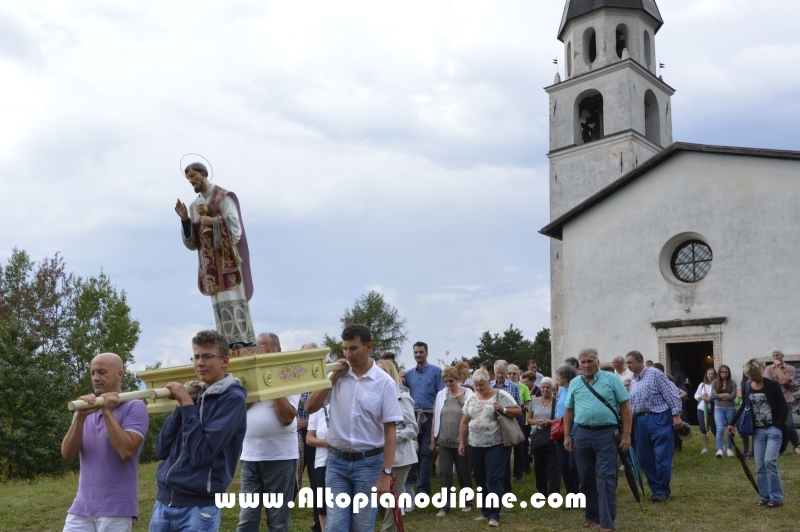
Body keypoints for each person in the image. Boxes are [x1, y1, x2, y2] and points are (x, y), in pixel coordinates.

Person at [304, 324, 403, 532]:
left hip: (369, 464)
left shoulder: (384, 382)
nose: (348, 354)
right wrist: (333, 379)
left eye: (354, 348)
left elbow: (390, 430)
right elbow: (310, 406)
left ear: (368, 347)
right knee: (335, 527)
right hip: (337, 462)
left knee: (361, 527)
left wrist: (386, 473)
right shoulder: (337, 378)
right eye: (345, 348)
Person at [149, 330, 247, 532]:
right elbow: (161, 450)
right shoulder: (196, 397)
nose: (200, 363)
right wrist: (182, 406)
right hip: (164, 502)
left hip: (199, 507)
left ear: (224, 361)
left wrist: (185, 403)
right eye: (196, 357)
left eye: (207, 356)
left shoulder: (232, 399)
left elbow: (201, 455)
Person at [61, 353, 149, 532]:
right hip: (81, 507)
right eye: (92, 373)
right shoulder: (84, 411)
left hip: (116, 510)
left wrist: (108, 412)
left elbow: (126, 452)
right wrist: (79, 417)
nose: (96, 378)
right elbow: (67, 454)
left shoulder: (135, 406)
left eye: (102, 372)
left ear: (119, 374)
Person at [175, 162, 255, 346]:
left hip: (227, 259)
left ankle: (242, 340)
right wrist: (186, 220)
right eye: (188, 179)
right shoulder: (194, 206)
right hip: (210, 265)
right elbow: (193, 244)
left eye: (193, 176)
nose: (191, 181)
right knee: (218, 303)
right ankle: (225, 342)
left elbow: (236, 229)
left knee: (232, 298)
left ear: (203, 173)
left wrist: (214, 222)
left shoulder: (224, 197)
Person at [236, 333, 299, 532]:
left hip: (281, 458)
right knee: (246, 519)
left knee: (278, 521)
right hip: (250, 457)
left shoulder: (290, 376)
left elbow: (287, 417)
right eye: (258, 350)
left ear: (278, 351)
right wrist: (256, 383)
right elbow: (237, 410)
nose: (261, 354)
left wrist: (272, 382)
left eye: (266, 350)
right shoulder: (247, 378)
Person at [564, 348, 631, 532]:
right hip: (582, 434)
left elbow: (625, 407)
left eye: (590, 361)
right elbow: (569, 411)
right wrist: (567, 436)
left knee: (606, 476)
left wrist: (626, 435)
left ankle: (607, 522)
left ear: (598, 362)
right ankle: (591, 515)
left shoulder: (612, 380)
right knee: (585, 477)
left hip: (606, 434)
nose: (586, 365)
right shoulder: (576, 383)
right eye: (583, 362)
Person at [458, 369, 521, 527]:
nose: (479, 388)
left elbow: (519, 411)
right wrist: (461, 442)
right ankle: (485, 511)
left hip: (497, 445)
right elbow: (464, 421)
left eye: (482, 385)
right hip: (475, 444)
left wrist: (503, 409)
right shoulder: (471, 398)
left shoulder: (500, 395)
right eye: (476, 385)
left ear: (489, 381)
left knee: (493, 478)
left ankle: (494, 515)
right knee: (480, 479)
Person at [728, 358, 788, 508]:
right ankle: (765, 496)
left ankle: (776, 497)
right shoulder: (748, 386)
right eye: (748, 375)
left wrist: (778, 426)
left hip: (773, 429)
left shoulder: (773, 385)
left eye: (753, 374)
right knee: (760, 465)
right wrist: (732, 422)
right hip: (758, 431)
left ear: (759, 372)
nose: (750, 377)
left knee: (769, 461)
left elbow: (784, 408)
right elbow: (744, 407)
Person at [625, 350, 683, 502]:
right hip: (640, 420)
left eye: (630, 362)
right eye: (627, 363)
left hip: (658, 418)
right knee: (644, 457)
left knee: (662, 454)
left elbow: (671, 394)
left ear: (639, 361)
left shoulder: (655, 374)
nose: (628, 366)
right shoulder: (634, 379)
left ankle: (662, 491)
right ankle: (655, 488)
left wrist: (676, 415)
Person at [376, 359, 418, 531]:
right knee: (381, 500)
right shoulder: (374, 396)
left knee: (393, 499)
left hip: (400, 457)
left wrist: (391, 437)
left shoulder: (402, 397)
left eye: (382, 371)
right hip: (378, 457)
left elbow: (413, 428)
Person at [431, 366, 473, 517]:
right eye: (445, 381)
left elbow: (471, 413)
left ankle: (467, 501)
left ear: (457, 379)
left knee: (463, 471)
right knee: (445, 472)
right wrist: (433, 440)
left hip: (462, 440)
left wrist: (462, 401)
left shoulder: (468, 392)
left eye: (451, 381)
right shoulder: (441, 394)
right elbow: (436, 417)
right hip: (444, 439)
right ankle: (444, 506)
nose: (448, 384)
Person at [403, 341, 443, 496]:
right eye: (416, 352)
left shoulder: (436, 371)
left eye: (421, 352)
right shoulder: (409, 374)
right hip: (413, 417)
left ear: (427, 353)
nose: (418, 355)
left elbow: (441, 395)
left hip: (430, 415)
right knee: (413, 451)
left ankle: (422, 490)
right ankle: (415, 484)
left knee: (426, 452)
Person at [297, 342, 321, 532]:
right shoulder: (294, 379)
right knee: (292, 480)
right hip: (295, 436)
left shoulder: (321, 379)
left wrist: (307, 423)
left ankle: (318, 524)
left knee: (317, 482)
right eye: (306, 355)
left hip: (314, 437)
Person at [491, 360, 523, 492]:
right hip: (491, 425)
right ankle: (494, 486)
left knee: (505, 456)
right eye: (497, 372)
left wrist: (504, 410)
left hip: (506, 423)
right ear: (494, 372)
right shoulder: (489, 386)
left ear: (507, 373)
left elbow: (519, 407)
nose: (500, 375)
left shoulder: (513, 386)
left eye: (503, 373)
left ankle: (506, 486)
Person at [527, 377, 561, 497]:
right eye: (543, 387)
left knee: (553, 467)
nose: (545, 389)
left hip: (552, 438)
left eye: (548, 387)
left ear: (552, 389)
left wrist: (551, 422)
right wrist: (537, 422)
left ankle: (554, 493)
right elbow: (529, 419)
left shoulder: (557, 402)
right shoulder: (534, 402)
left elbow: (561, 420)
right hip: (538, 437)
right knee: (539, 467)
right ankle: (542, 492)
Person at [764, 348, 800, 455]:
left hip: (786, 399)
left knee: (789, 424)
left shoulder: (790, 368)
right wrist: (785, 382)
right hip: (774, 401)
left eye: (777, 355)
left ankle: (796, 444)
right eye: (773, 356)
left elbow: (784, 381)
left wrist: (779, 369)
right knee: (778, 425)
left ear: (782, 356)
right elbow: (769, 384)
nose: (775, 358)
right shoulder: (768, 368)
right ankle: (780, 448)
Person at [553, 364, 580, 496]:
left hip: (575, 432)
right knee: (564, 466)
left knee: (574, 465)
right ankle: (571, 496)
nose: (556, 378)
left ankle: (583, 494)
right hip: (560, 432)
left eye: (558, 376)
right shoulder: (561, 390)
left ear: (565, 377)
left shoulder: (576, 389)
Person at [307, 401, 330, 532]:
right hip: (322, 462)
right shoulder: (317, 409)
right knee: (322, 503)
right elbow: (309, 438)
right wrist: (324, 442)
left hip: (342, 461)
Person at [508, 364, 532, 481]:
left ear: (519, 375)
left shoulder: (523, 388)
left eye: (514, 373)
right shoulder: (502, 387)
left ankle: (518, 474)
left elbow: (528, 404)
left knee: (519, 449)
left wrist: (521, 409)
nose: (511, 375)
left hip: (520, 419)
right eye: (510, 373)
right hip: (506, 419)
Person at [711, 365, 738, 458]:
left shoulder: (733, 383)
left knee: (730, 429)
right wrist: (726, 394)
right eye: (722, 372)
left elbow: (733, 396)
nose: (724, 374)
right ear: (719, 373)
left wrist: (719, 395)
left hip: (731, 409)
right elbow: (712, 396)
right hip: (718, 408)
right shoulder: (715, 383)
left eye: (726, 372)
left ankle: (729, 449)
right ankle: (719, 449)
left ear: (729, 373)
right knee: (720, 428)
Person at [695, 367, 718, 454]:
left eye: (713, 374)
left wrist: (710, 399)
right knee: (703, 428)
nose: (711, 376)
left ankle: (720, 446)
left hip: (713, 408)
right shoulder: (702, 385)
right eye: (709, 374)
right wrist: (701, 397)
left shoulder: (717, 385)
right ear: (706, 375)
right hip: (702, 408)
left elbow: (718, 397)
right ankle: (705, 448)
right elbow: (696, 395)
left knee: (714, 428)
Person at [737, 374, 753, 459]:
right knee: (744, 428)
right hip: (745, 408)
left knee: (756, 429)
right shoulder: (742, 383)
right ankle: (746, 449)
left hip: (756, 409)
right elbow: (739, 395)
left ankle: (754, 451)